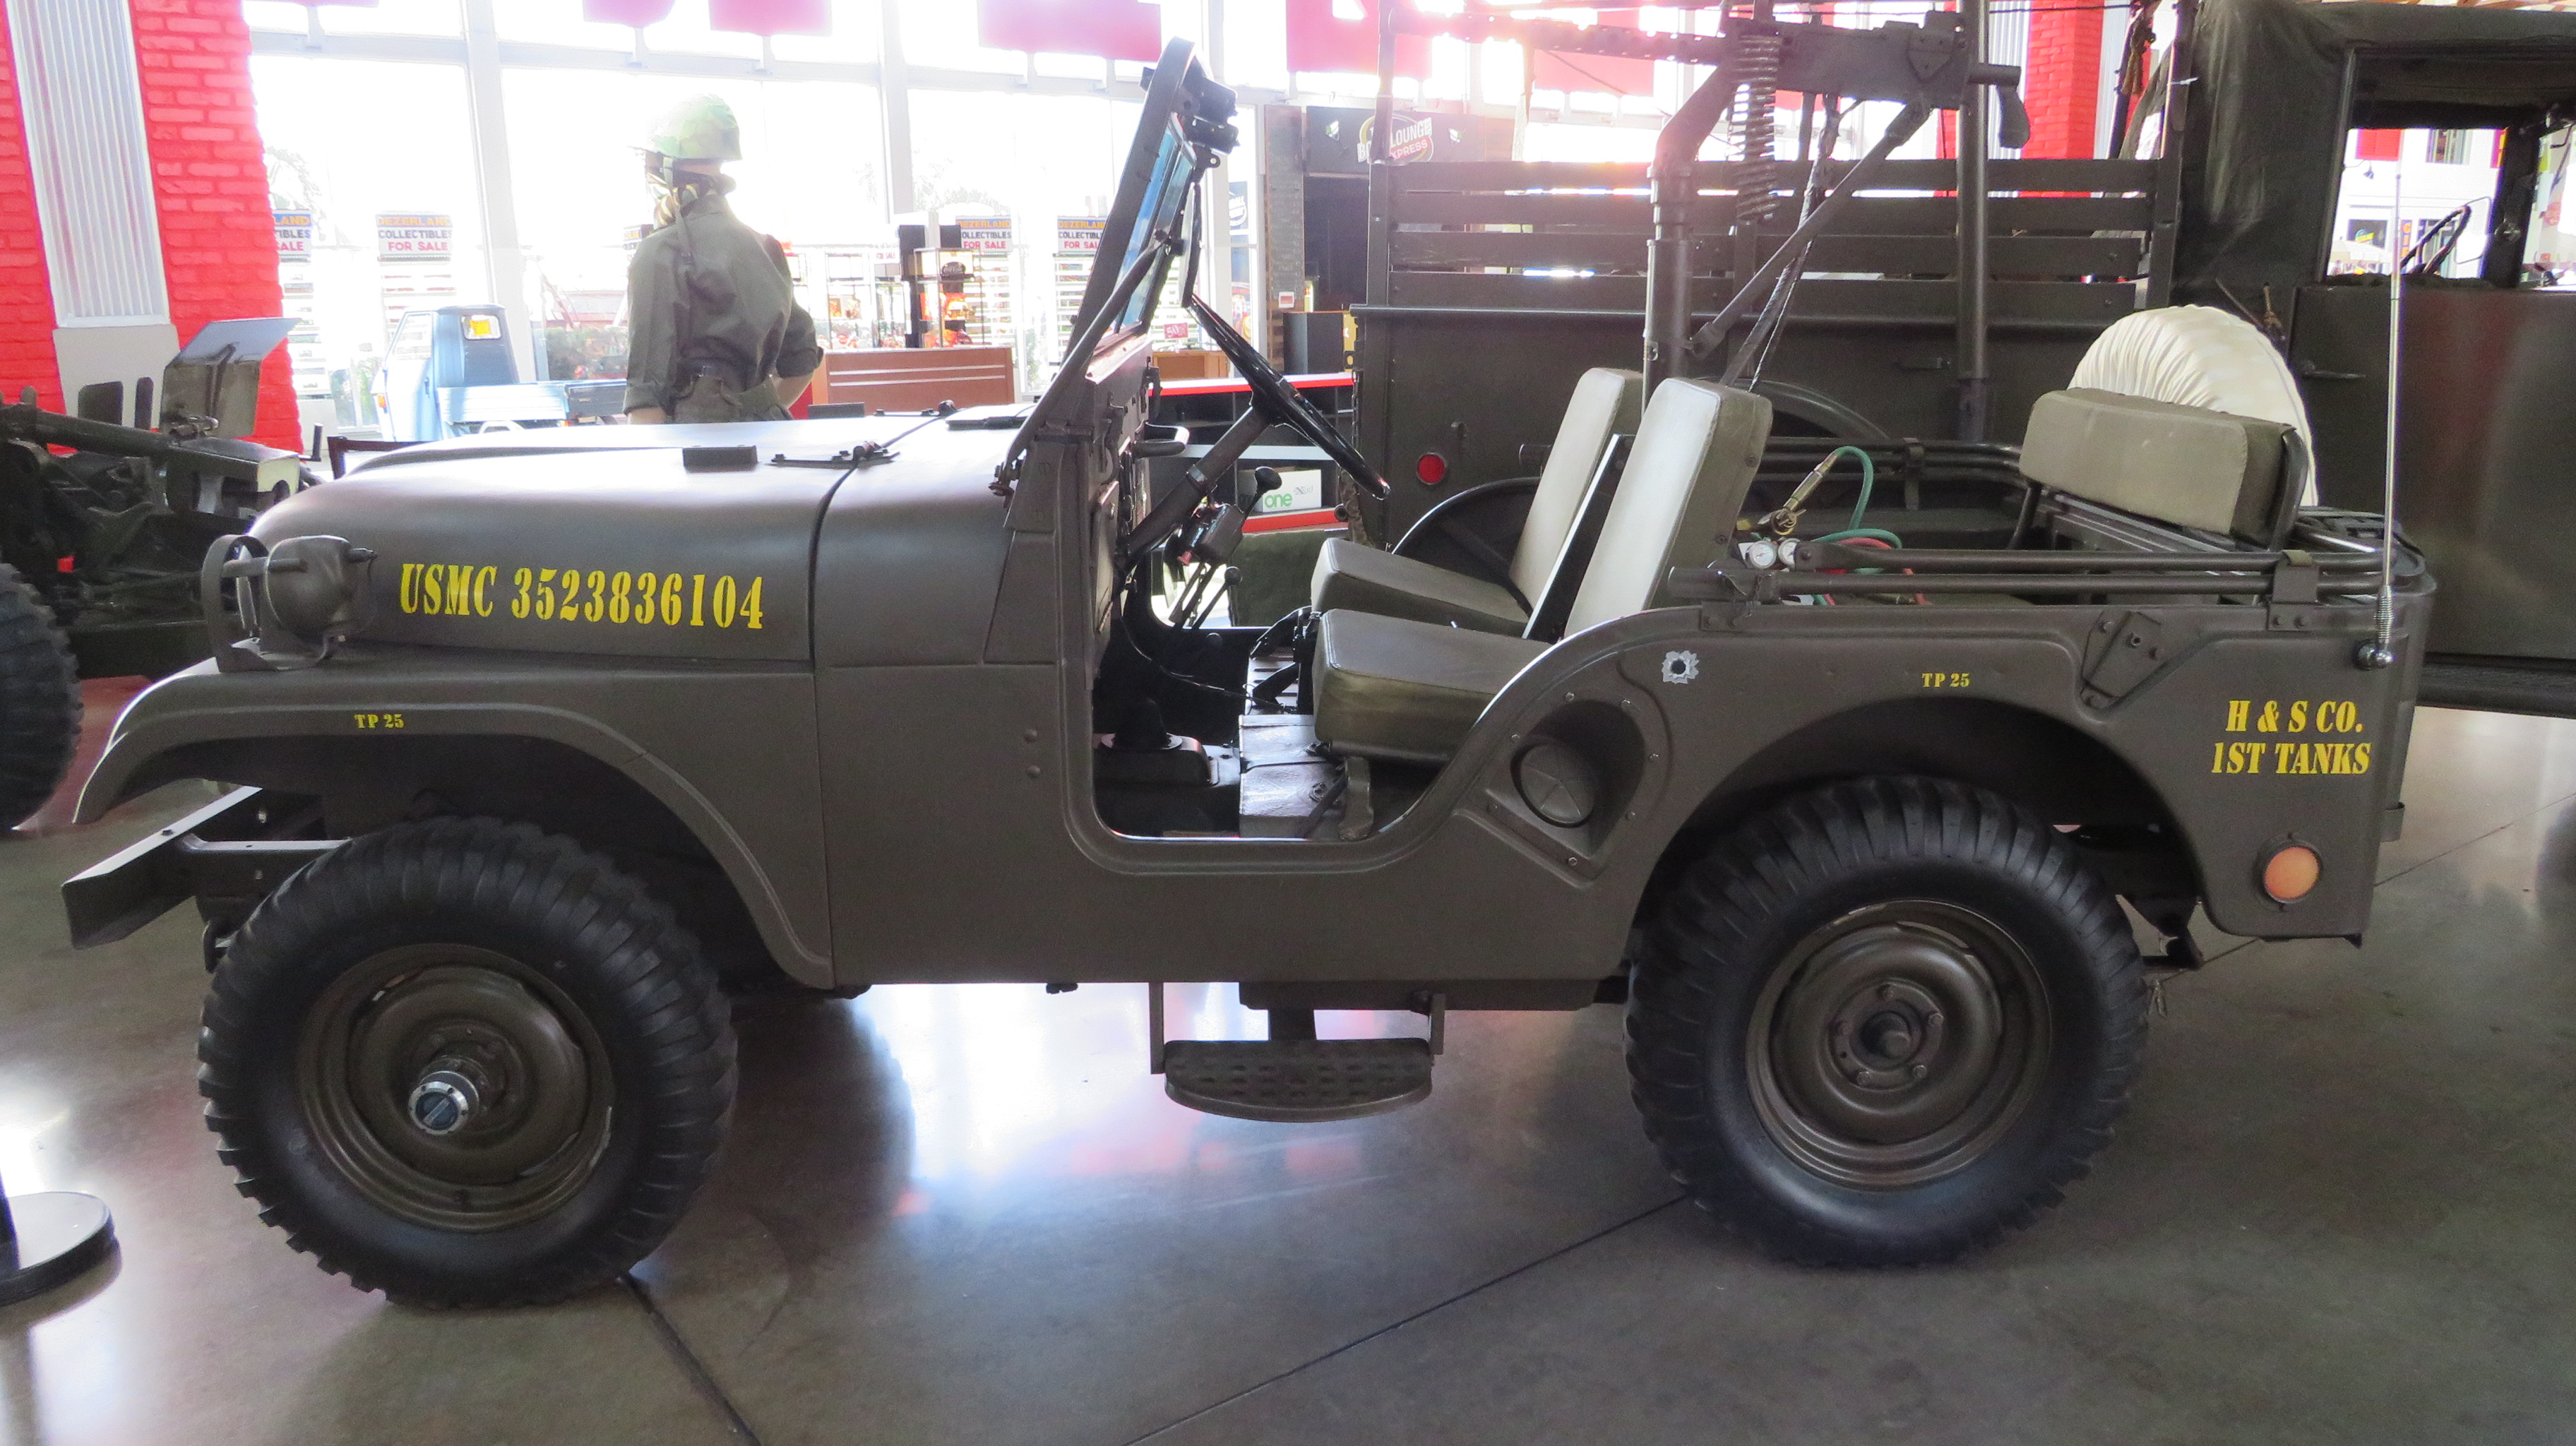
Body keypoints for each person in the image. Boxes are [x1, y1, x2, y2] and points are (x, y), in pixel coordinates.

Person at [623, 95, 822, 424]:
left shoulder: (662, 251)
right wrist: (750, 408)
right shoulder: (765, 247)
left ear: (667, 167)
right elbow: (801, 363)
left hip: (698, 453)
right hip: (770, 438)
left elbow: (648, 396)